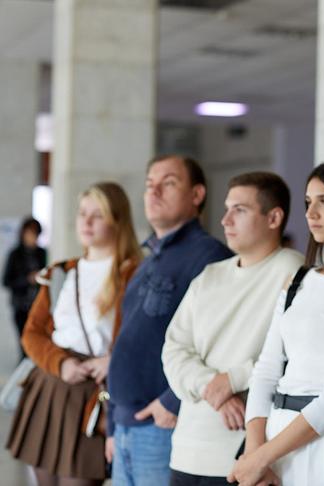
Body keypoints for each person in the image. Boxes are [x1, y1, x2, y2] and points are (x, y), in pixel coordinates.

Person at [228, 160, 324, 486]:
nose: (311, 213)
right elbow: (266, 370)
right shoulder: (297, 280)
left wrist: (262, 457)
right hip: (275, 434)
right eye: (308, 203)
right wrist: (255, 450)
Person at [162, 172, 304, 485]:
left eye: (239, 210)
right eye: (227, 209)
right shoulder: (209, 275)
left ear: (274, 217)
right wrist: (213, 386)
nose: (225, 220)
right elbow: (173, 349)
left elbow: (301, 358)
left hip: (245, 452)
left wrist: (234, 378)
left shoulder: (294, 272)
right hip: (187, 447)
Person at [107, 155, 233, 486]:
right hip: (123, 427)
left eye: (169, 183)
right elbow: (122, 342)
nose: (154, 192)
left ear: (197, 195)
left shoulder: (211, 257)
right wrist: (111, 424)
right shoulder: (147, 260)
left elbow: (219, 345)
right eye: (150, 185)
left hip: (163, 426)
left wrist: (171, 402)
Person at [6, 182, 142, 486]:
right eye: (82, 214)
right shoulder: (60, 272)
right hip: (51, 383)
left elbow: (144, 338)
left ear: (117, 220)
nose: (87, 222)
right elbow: (32, 333)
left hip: (92, 392)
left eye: (98, 215)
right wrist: (60, 363)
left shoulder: (132, 274)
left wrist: (113, 360)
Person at [3, 217, 47, 359]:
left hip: (37, 304)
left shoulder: (41, 253)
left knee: (37, 341)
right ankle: (23, 374)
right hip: (20, 305)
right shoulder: (15, 254)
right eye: (30, 233)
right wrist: (27, 279)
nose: (33, 237)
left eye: (36, 234)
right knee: (24, 343)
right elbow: (6, 281)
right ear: (23, 234)